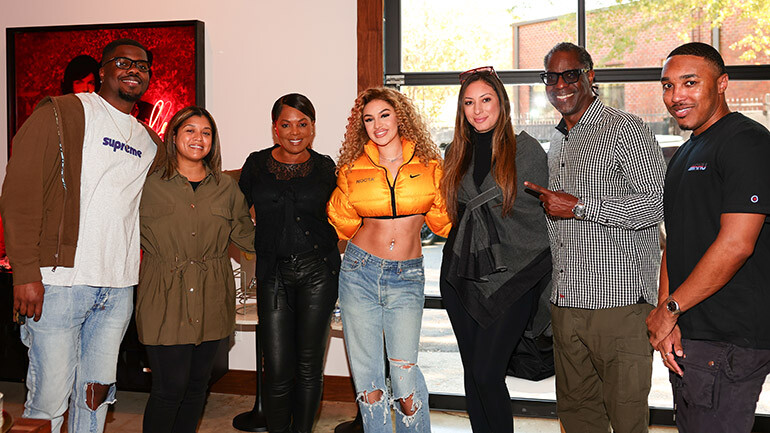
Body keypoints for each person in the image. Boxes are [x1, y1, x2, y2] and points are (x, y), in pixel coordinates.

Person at [0, 38, 161, 433]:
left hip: (118, 288)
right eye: (122, 62)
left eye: (142, 66)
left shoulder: (148, 141)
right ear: (102, 70)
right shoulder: (63, 113)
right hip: (59, 284)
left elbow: (183, 186)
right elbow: (19, 193)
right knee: (49, 398)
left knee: (96, 392)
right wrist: (25, 272)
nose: (133, 70)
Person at [524, 42, 666, 433]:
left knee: (626, 420)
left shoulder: (627, 129)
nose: (560, 85)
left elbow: (655, 206)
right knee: (579, 417)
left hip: (618, 307)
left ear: (590, 76)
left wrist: (582, 207)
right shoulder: (557, 140)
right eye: (551, 77)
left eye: (570, 74)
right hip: (567, 306)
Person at [647, 42, 770, 433]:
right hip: (692, 334)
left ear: (723, 84)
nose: (675, 96)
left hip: (730, 340)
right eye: (667, 85)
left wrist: (669, 310)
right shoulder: (685, 153)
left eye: (689, 82)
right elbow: (675, 243)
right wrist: (669, 318)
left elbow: (737, 244)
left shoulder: (746, 142)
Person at [327, 87, 450, 433]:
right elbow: (345, 222)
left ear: (400, 117)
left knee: (404, 377)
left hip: (406, 276)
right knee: (369, 383)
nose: (377, 124)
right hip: (359, 272)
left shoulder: (429, 165)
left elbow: (443, 222)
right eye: (369, 119)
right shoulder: (353, 168)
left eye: (384, 115)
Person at [439, 66, 551, 433]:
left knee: (489, 373)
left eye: (485, 99)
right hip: (461, 274)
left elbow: (541, 219)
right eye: (469, 102)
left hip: (514, 275)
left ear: (501, 102)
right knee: (473, 374)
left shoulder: (527, 150)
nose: (478, 109)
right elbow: (455, 214)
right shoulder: (456, 152)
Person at [136, 106, 255, 433]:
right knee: (168, 389)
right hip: (164, 297)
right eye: (189, 130)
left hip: (212, 297)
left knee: (196, 388)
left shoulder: (226, 188)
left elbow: (247, 237)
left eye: (205, 132)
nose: (198, 138)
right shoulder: (146, 185)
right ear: (173, 135)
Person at [238, 93, 340, 433]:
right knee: (278, 369)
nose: (294, 131)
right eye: (286, 124)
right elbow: (235, 214)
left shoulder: (326, 166)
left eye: (302, 124)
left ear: (312, 129)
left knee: (309, 368)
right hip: (274, 276)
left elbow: (343, 216)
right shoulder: (255, 164)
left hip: (318, 274)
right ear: (274, 129)